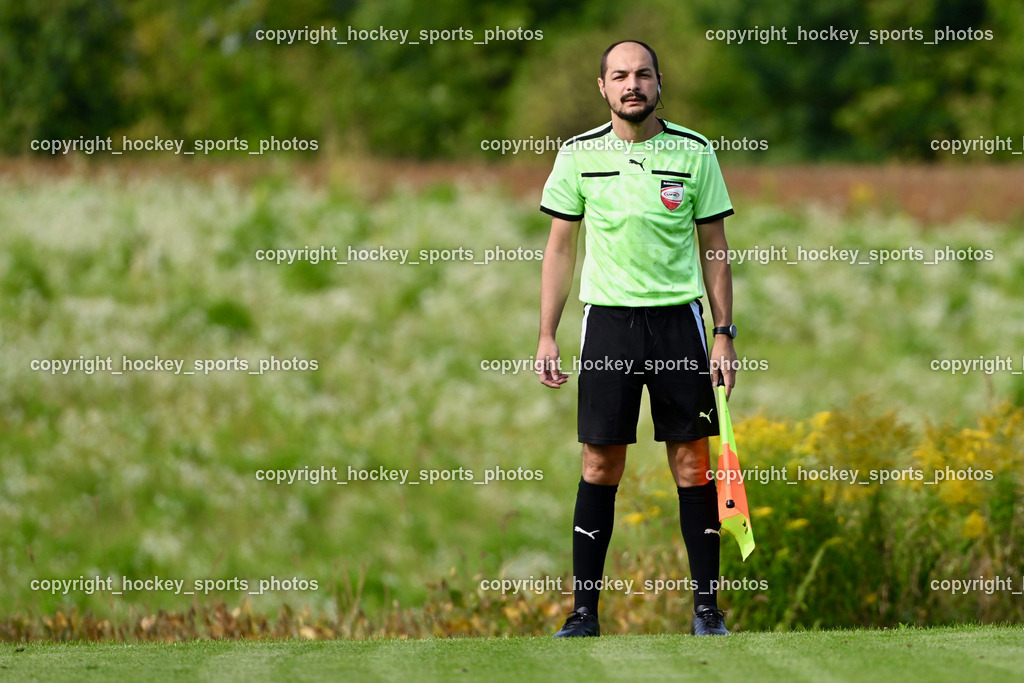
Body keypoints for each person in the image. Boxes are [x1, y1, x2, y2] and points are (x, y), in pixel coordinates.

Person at [536, 39, 737, 637]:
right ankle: (583, 616)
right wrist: (546, 335)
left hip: (680, 323)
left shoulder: (695, 152)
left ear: (658, 84)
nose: (632, 85)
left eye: (643, 75)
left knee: (692, 463)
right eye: (620, 76)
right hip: (610, 327)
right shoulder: (577, 155)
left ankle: (706, 613)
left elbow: (715, 250)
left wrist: (723, 335)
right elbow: (559, 249)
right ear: (602, 87)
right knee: (600, 463)